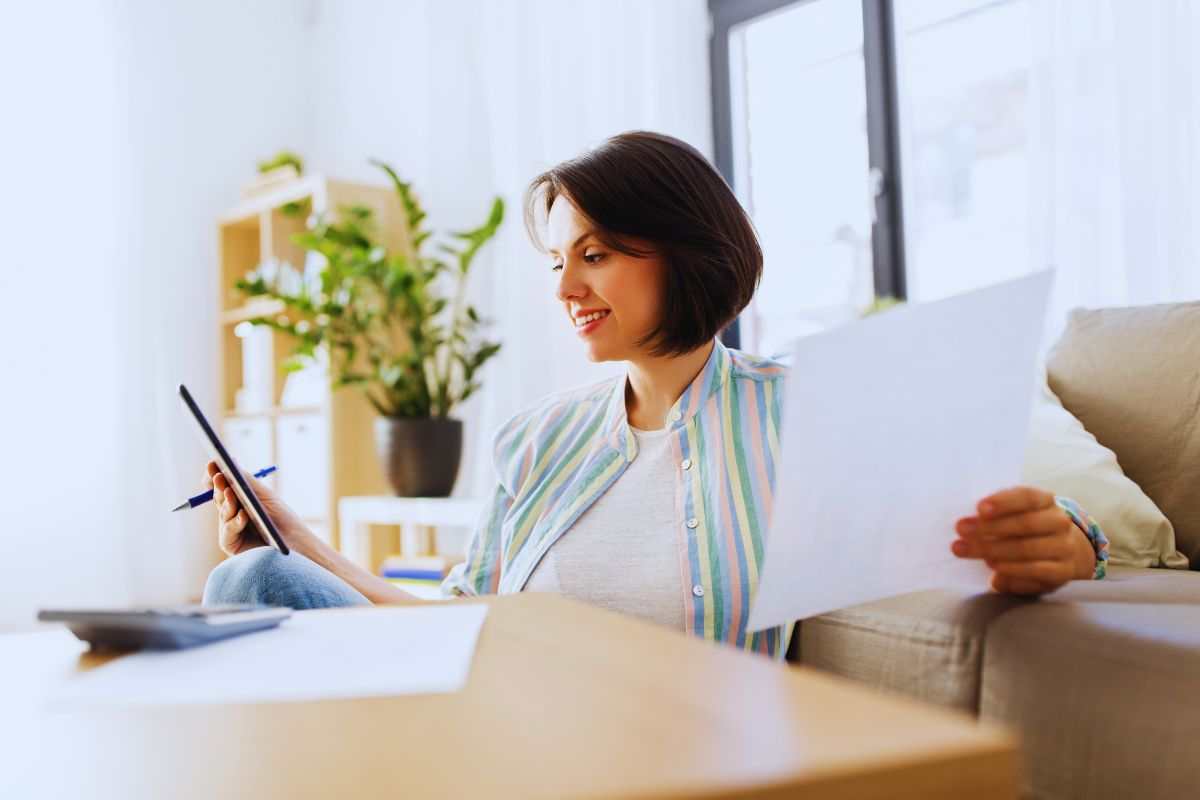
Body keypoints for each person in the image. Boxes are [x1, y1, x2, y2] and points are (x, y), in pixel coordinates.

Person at [203, 131, 1109, 659]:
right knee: (254, 575)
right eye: (557, 261)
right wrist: (301, 540)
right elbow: (451, 629)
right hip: (504, 732)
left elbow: (991, 510)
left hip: (667, 760)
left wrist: (1062, 539)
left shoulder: (798, 411)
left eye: (595, 254)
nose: (566, 288)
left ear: (686, 248)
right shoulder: (535, 440)